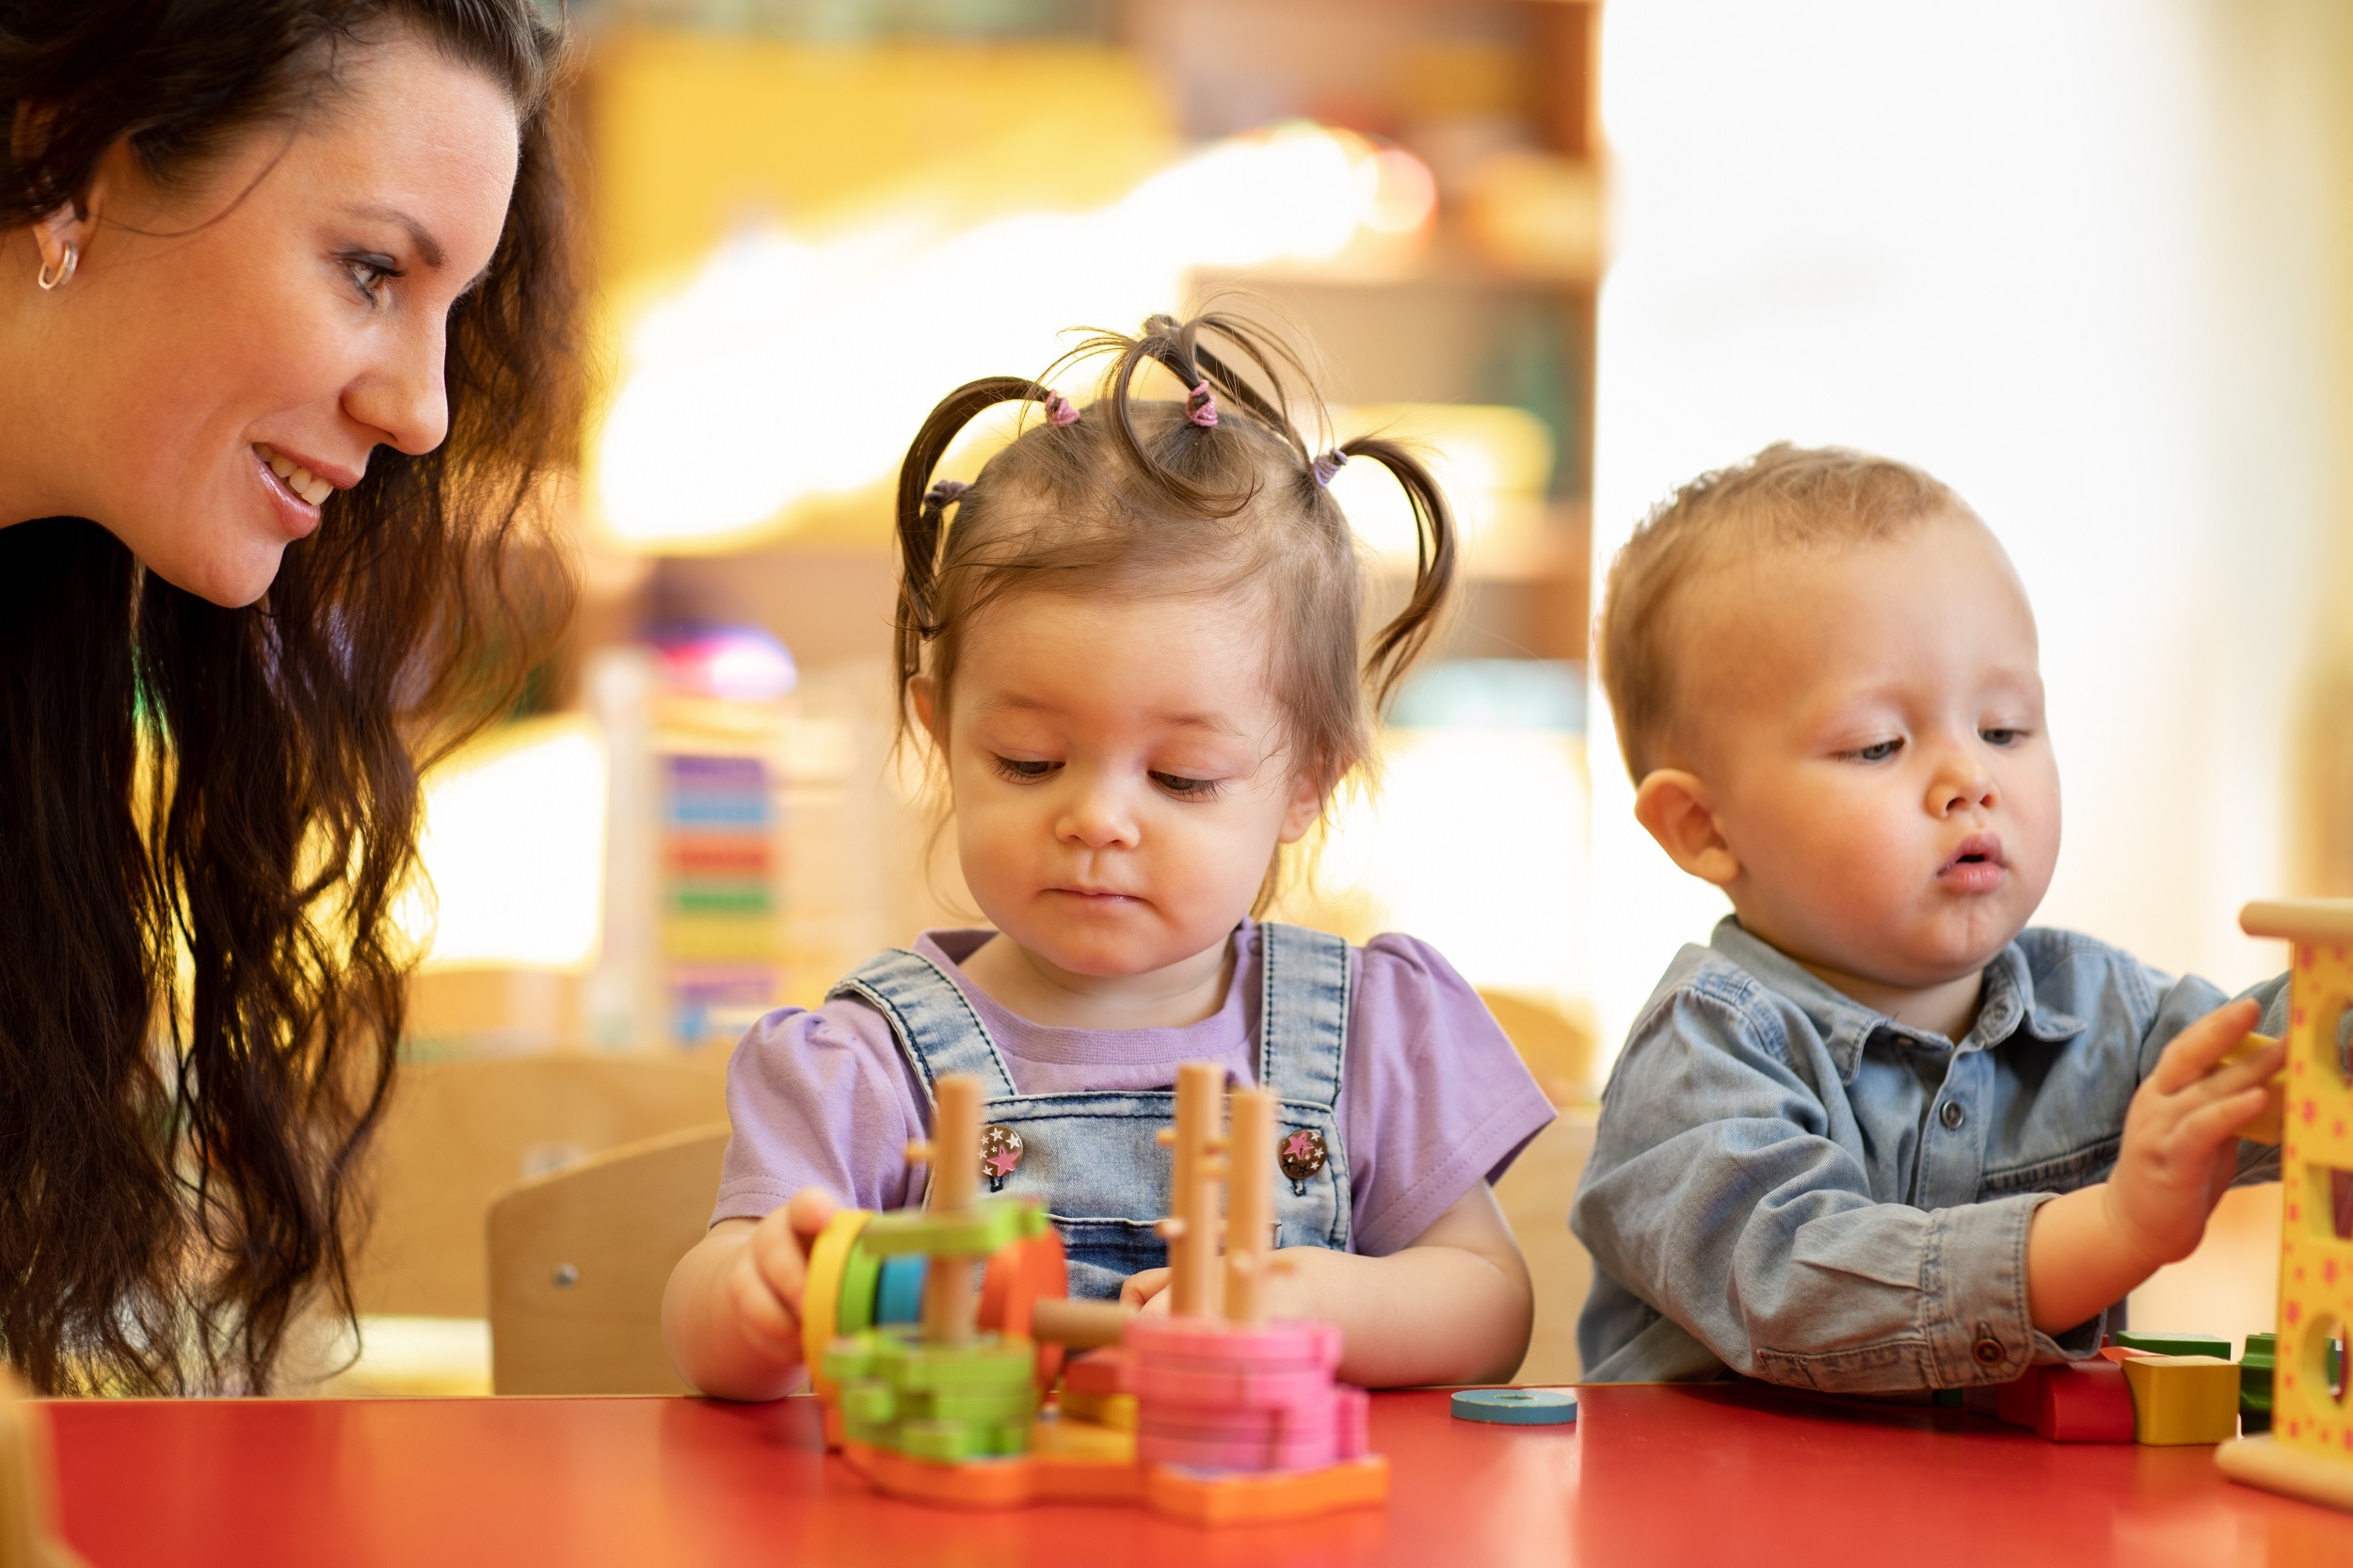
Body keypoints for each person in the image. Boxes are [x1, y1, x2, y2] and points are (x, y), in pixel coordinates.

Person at [664, 313, 1554, 1399]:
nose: (1097, 819)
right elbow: (708, 1320)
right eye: (1029, 760)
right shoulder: (865, 1064)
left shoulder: (1369, 1033)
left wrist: (1319, 1301)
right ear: (941, 734)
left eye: (1180, 778)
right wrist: (758, 1296)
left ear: (1305, 781)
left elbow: (1489, 1302)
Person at [0, 0, 578, 1394]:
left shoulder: (55, 651)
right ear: (69, 162)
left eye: (455, 312)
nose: (425, 412)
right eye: (372, 269)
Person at [1572, 444, 2285, 1390]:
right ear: (1704, 827)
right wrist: (2106, 1230)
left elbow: (2285, 1068)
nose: (1970, 780)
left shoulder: (2102, 1010)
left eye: (2003, 728)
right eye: (1878, 745)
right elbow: (1793, 1281)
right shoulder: (1702, 1055)